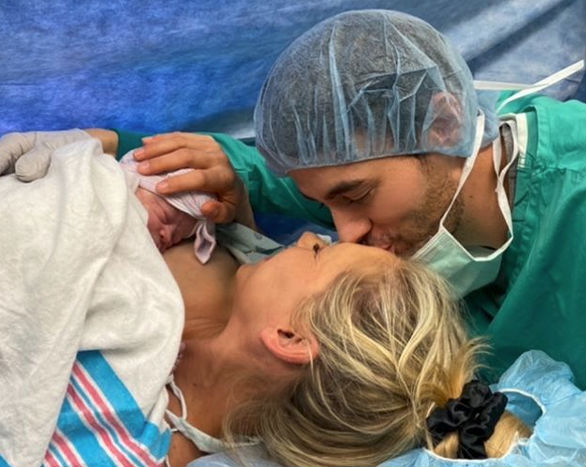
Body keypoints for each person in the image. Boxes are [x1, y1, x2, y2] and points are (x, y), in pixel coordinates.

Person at [0, 9, 584, 391]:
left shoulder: (572, 196)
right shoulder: (384, 180)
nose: (342, 234)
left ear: (443, 124)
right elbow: (246, 169)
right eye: (326, 207)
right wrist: (108, 147)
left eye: (356, 196)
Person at [1, 140, 584, 467]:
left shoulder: (115, 437)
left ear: (290, 337)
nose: (308, 236)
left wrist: (86, 176)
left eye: (318, 254)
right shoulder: (231, 258)